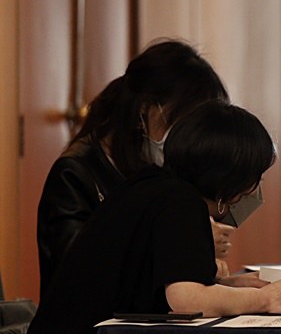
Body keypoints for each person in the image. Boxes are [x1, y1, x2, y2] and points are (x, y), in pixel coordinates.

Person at [1, 101, 281, 334]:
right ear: (233, 178)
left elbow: (162, 280)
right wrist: (267, 299)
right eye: (255, 177)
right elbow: (186, 299)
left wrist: (230, 285)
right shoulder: (180, 202)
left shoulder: (152, 187)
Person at [36, 39, 237, 298]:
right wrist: (184, 242)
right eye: (183, 123)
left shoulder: (162, 173)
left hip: (150, 317)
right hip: (91, 321)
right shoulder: (74, 174)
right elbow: (80, 273)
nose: (189, 137)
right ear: (145, 110)